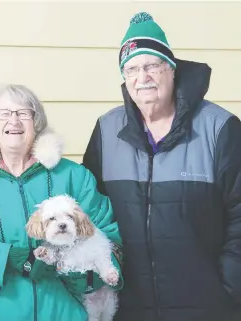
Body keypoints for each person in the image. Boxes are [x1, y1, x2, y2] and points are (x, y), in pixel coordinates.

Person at [82, 11, 241, 321]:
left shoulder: (221, 128)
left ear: (171, 69)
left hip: (208, 309)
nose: (143, 78)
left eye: (152, 65)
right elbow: (90, 214)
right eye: (131, 69)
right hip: (128, 307)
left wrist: (227, 288)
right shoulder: (106, 131)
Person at [0, 84, 124, 321]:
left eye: (23, 113)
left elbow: (109, 234)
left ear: (36, 123)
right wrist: (12, 258)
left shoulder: (74, 176)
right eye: (3, 113)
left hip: (65, 311)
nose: (13, 121)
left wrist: (92, 276)